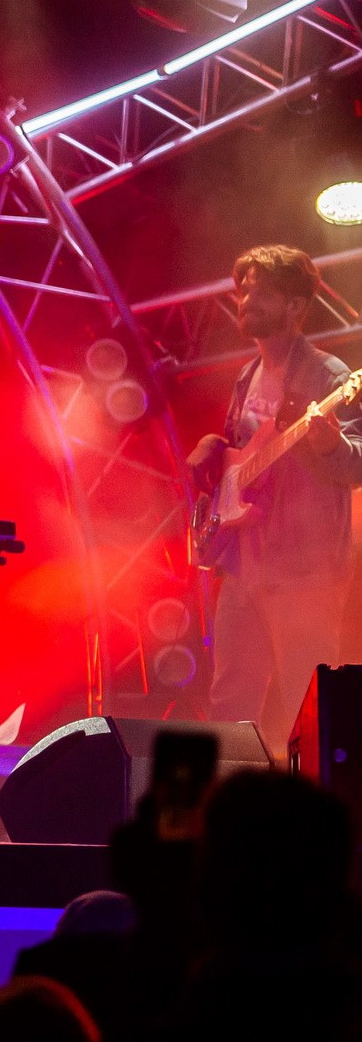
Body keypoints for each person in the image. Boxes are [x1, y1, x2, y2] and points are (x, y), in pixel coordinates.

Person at [183, 244, 362, 751]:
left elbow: (356, 463)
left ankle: (313, 813)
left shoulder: (329, 377)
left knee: (308, 704)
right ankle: (232, 808)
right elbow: (241, 459)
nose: (245, 300)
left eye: (260, 292)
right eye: (244, 290)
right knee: (229, 703)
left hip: (305, 572)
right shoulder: (247, 375)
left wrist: (329, 443)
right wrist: (213, 446)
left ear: (294, 306)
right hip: (243, 568)